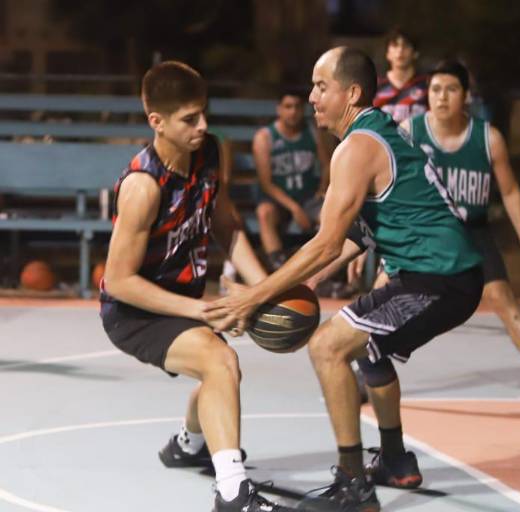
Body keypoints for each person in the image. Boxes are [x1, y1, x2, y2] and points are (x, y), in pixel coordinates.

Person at [203, 46, 485, 511]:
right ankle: (394, 460)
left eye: (321, 86)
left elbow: (326, 244)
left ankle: (354, 485)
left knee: (328, 346)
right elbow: (357, 233)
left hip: (438, 276)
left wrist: (253, 298)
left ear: (351, 93)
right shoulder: (377, 133)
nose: (311, 96)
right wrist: (309, 282)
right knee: (368, 346)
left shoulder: (356, 148)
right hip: (442, 272)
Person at [99, 61, 295, 512]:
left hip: (182, 299)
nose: (203, 125)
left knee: (221, 374)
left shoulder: (208, 153)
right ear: (157, 121)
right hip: (135, 312)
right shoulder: (143, 186)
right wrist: (203, 310)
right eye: (190, 119)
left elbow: (227, 224)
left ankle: (189, 446)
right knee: (220, 361)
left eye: (204, 113)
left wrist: (264, 289)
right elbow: (120, 281)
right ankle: (232, 493)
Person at [403, 59, 520, 411]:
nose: (442, 97)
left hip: (472, 232)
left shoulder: (487, 138)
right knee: (387, 294)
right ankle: (365, 366)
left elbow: (509, 191)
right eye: (435, 89)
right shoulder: (411, 132)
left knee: (501, 297)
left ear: (466, 95)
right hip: (426, 230)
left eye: (451, 89)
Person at [254, 88, 330, 270]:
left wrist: (322, 189)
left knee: (331, 215)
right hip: (279, 201)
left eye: (297, 106)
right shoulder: (264, 137)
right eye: (288, 106)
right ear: (279, 109)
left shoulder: (314, 132)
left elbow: (327, 165)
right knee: (264, 213)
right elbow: (266, 183)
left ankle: (326, 272)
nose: (293, 111)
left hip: (309, 197)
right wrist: (294, 208)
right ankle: (278, 266)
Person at [373, 27, 428, 124]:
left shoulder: (428, 84)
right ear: (387, 53)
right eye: (395, 45)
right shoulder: (374, 85)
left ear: (415, 53)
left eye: (406, 45)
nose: (400, 50)